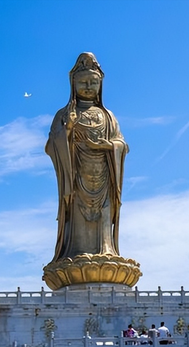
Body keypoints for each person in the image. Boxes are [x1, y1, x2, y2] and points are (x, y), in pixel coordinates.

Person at [45, 52, 129, 263]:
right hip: (76, 179)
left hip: (104, 176)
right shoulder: (64, 115)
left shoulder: (108, 116)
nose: (89, 86)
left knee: (104, 213)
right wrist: (68, 128)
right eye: (83, 82)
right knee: (78, 220)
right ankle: (75, 251)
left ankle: (107, 250)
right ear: (73, 84)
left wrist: (108, 145)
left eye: (93, 82)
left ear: (101, 85)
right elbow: (51, 145)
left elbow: (122, 145)